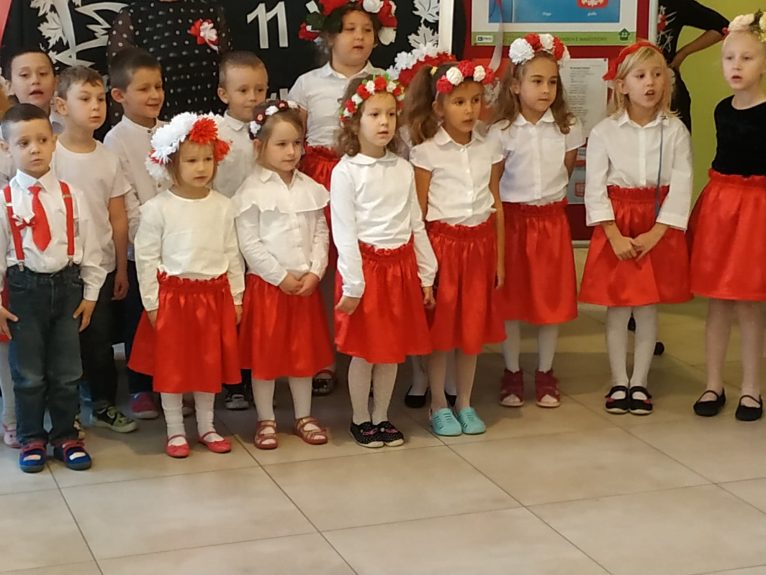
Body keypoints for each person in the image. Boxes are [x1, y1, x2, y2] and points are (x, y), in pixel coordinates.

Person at [579, 41, 693, 416]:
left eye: (658, 74)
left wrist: (656, 233)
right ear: (622, 85)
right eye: (641, 75)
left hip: (655, 224)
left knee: (646, 307)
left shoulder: (674, 131)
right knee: (617, 307)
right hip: (618, 224)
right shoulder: (604, 132)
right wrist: (613, 234)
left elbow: (682, 184)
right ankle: (618, 380)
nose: (650, 83)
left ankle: (640, 382)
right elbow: (595, 188)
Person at [291, 0, 396, 395]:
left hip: (369, 180)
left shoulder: (385, 80)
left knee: (365, 264)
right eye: (350, 29)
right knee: (323, 266)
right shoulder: (308, 84)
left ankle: (364, 354)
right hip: (320, 179)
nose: (359, 37)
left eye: (367, 30)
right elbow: (293, 137)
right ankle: (324, 358)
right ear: (330, 37)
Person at [128, 113, 244, 458]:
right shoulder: (157, 208)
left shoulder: (223, 206)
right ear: (170, 164)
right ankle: (176, 429)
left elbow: (232, 252)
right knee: (173, 368)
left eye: (207, 159)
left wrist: (237, 297)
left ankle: (207, 425)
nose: (201, 167)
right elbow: (146, 258)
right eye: (191, 161)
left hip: (213, 297)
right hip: (174, 300)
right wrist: (152, 303)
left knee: (208, 364)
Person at [0, 103, 107, 472]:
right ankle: (31, 437)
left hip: (67, 290)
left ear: (53, 141)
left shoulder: (71, 195)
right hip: (22, 292)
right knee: (28, 373)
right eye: (23, 143)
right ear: (6, 148)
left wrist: (90, 295)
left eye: (42, 140)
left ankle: (65, 436)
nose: (35, 149)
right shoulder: (4, 200)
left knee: (67, 371)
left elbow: (91, 248)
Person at [332, 74, 436, 448]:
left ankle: (382, 416)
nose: (384, 123)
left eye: (391, 114)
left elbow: (415, 223)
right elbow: (344, 233)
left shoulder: (402, 168)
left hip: (400, 269)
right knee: (365, 353)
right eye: (374, 114)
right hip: (366, 271)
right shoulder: (346, 172)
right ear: (354, 120)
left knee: (390, 353)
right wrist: (354, 283)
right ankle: (361, 417)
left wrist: (427, 273)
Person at [406, 60, 504, 436]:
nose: (469, 110)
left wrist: (499, 260)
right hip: (443, 247)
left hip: (480, 246)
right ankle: (437, 404)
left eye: (475, 100)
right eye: (459, 102)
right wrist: (425, 268)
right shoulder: (426, 152)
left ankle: (464, 401)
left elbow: (496, 203)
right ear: (439, 107)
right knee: (442, 333)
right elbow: (418, 213)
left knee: (471, 331)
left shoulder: (489, 146)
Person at [234, 100, 333, 450]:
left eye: (297, 143)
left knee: (301, 356)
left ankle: (304, 415)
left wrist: (316, 271)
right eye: (281, 144)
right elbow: (249, 243)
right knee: (266, 358)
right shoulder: (250, 191)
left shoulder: (309, 187)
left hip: (304, 287)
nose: (291, 152)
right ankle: (266, 418)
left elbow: (320, 231)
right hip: (269, 289)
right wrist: (279, 277)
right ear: (259, 146)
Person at [491, 33, 583, 409]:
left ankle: (545, 371)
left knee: (550, 301)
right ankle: (512, 371)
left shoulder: (567, 126)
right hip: (513, 222)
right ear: (515, 85)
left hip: (550, 222)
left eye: (552, 82)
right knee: (511, 301)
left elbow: (566, 170)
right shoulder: (501, 130)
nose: (546, 90)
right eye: (537, 81)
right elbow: (494, 184)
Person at [689, 12, 766, 422]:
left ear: (764, 63)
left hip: (756, 212)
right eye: (729, 58)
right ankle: (713, 383)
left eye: (747, 58)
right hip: (721, 208)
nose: (736, 66)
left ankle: (751, 388)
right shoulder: (721, 109)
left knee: (749, 305)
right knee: (717, 302)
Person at [52, 66, 136, 435]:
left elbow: (117, 216)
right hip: (58, 267)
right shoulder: (50, 153)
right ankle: (65, 411)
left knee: (99, 341)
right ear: (61, 106)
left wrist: (121, 268)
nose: (95, 106)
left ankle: (103, 404)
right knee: (63, 344)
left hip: (99, 268)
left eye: (100, 99)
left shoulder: (108, 157)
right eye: (84, 99)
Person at [103, 47, 166, 420]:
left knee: (170, 317)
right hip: (140, 248)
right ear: (119, 95)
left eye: (158, 86)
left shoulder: (171, 131)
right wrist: (152, 240)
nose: (154, 95)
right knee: (138, 317)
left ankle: (170, 380)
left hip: (176, 246)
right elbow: (127, 200)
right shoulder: (116, 140)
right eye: (144, 89)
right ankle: (140, 386)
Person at [213, 51, 269, 411]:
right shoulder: (214, 133)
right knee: (231, 306)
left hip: (265, 233)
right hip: (226, 231)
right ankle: (231, 380)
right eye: (243, 90)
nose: (253, 98)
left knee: (256, 308)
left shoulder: (272, 127)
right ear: (224, 94)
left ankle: (255, 373)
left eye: (259, 89)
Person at [107, 0, 231, 119]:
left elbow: (228, 71)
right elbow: (121, 80)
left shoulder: (210, 10)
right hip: (157, 123)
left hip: (212, 118)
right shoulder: (133, 16)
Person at [656, 0, 728, 132]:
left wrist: (682, 54)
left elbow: (723, 28)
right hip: (627, 89)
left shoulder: (675, 3)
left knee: (677, 140)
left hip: (669, 90)